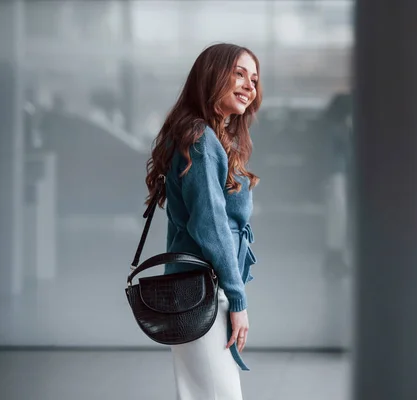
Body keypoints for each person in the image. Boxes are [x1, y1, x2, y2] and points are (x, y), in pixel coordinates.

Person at [143, 43, 262, 400]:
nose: (248, 85)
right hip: (204, 289)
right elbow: (210, 225)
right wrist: (238, 300)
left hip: (196, 287)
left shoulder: (202, 136)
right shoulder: (201, 141)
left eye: (254, 79)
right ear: (212, 75)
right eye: (238, 74)